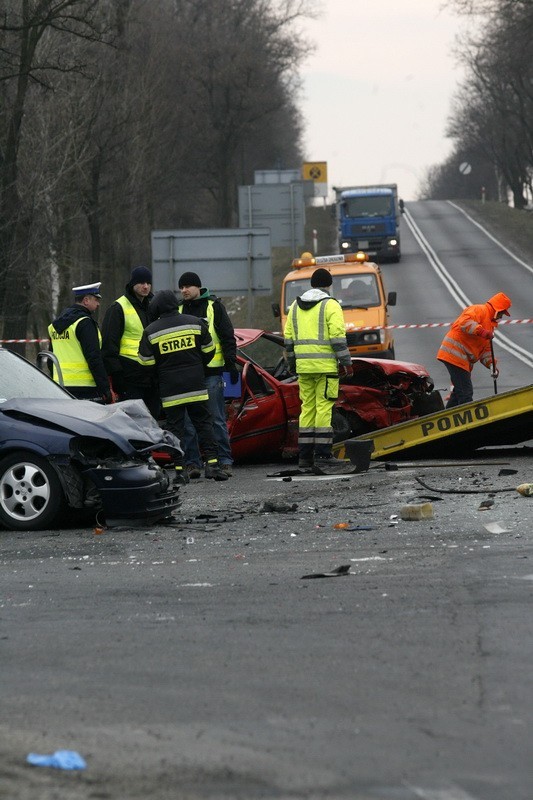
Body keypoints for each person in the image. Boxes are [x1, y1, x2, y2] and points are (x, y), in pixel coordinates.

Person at [138, 289, 229, 482]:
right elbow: (209, 350)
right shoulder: (195, 323)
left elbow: (145, 363)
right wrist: (198, 367)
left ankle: (180, 471)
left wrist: (160, 373)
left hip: (171, 391)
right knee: (205, 425)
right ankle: (212, 465)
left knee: (175, 431)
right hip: (196, 385)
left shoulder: (151, 331)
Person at [284, 267, 354, 472]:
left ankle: (305, 457)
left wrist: (292, 365)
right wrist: (346, 363)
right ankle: (323, 455)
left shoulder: (295, 306)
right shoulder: (330, 305)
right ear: (328, 285)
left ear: (312, 284)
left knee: (308, 408)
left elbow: (288, 340)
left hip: (304, 368)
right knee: (324, 408)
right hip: (325, 367)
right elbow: (338, 337)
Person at [177, 271, 238, 479]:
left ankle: (225, 461)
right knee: (188, 423)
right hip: (187, 374)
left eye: (187, 286)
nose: (184, 290)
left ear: (198, 287)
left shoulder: (214, 307)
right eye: (181, 287)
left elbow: (227, 337)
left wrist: (231, 365)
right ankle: (192, 464)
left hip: (211, 372)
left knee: (216, 419)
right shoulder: (178, 309)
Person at [101, 266, 160, 418]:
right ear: (132, 284)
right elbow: (109, 345)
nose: (145, 286)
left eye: (148, 282)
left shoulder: (154, 305)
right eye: (141, 283)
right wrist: (117, 376)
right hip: (130, 376)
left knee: (153, 420)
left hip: (152, 376)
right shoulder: (118, 307)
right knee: (134, 421)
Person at [437, 291, 512, 408]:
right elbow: (464, 322)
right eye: (502, 313)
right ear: (497, 309)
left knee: (459, 392)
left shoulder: (489, 325)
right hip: (453, 354)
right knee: (466, 394)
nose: (501, 317)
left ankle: (446, 416)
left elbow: (485, 350)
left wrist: (492, 365)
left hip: (458, 358)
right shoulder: (480, 310)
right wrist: (481, 331)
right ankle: (467, 423)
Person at [48, 282, 112, 402]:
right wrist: (105, 388)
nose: (98, 304)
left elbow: (50, 359)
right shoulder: (84, 323)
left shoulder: (54, 325)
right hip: (85, 388)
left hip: (60, 385)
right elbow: (94, 358)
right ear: (86, 300)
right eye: (96, 299)